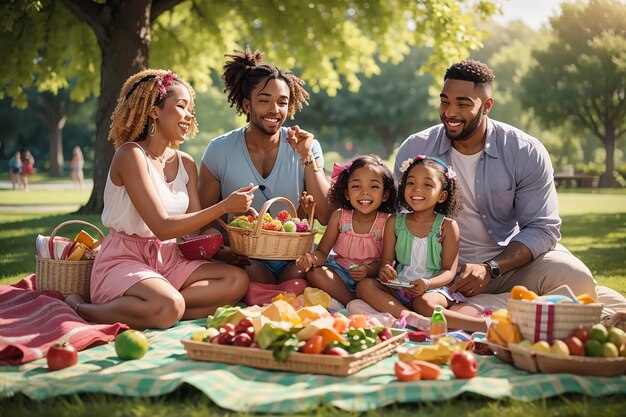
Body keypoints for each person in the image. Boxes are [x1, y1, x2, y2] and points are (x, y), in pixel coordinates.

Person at [64, 69, 255, 330]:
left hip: (170, 258)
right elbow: (162, 226)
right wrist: (224, 207)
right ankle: (83, 308)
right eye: (181, 106)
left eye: (191, 109)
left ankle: (160, 310)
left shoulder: (186, 163)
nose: (189, 116)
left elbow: (193, 232)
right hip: (125, 259)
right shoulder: (130, 155)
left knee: (236, 280)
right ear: (154, 111)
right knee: (171, 304)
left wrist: (223, 252)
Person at [394, 59, 597, 301]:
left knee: (577, 278)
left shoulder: (524, 151)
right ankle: (489, 310)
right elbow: (396, 218)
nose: (449, 113)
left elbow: (542, 228)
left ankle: (487, 306)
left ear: (487, 105)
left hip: (507, 266)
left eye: (463, 104)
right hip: (433, 270)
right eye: (445, 101)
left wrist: (491, 268)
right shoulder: (415, 148)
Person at [198, 47, 331, 284]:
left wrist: (307, 158)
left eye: (282, 102)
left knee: (297, 283)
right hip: (245, 260)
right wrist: (226, 254)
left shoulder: (307, 147)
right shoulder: (219, 150)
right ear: (247, 105)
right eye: (264, 101)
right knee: (251, 281)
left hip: (296, 260)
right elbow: (205, 223)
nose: (274, 110)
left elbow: (326, 215)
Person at [356, 155, 487, 332]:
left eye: (427, 185)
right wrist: (386, 270)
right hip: (400, 286)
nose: (417, 189)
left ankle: (482, 326)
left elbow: (449, 271)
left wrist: (427, 283)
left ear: (441, 195)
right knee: (364, 286)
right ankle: (411, 317)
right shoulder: (394, 221)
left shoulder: (447, 226)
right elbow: (386, 261)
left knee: (424, 304)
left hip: (433, 289)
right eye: (410, 183)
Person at [295, 155, 397, 307]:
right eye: (356, 186)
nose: (364, 192)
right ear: (347, 193)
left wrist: (368, 271)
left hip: (370, 277)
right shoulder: (339, 217)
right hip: (340, 273)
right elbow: (322, 252)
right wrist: (311, 259)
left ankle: (352, 301)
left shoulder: (388, 221)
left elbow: (385, 263)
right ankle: (351, 302)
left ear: (385, 195)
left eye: (373, 186)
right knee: (315, 273)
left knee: (369, 286)